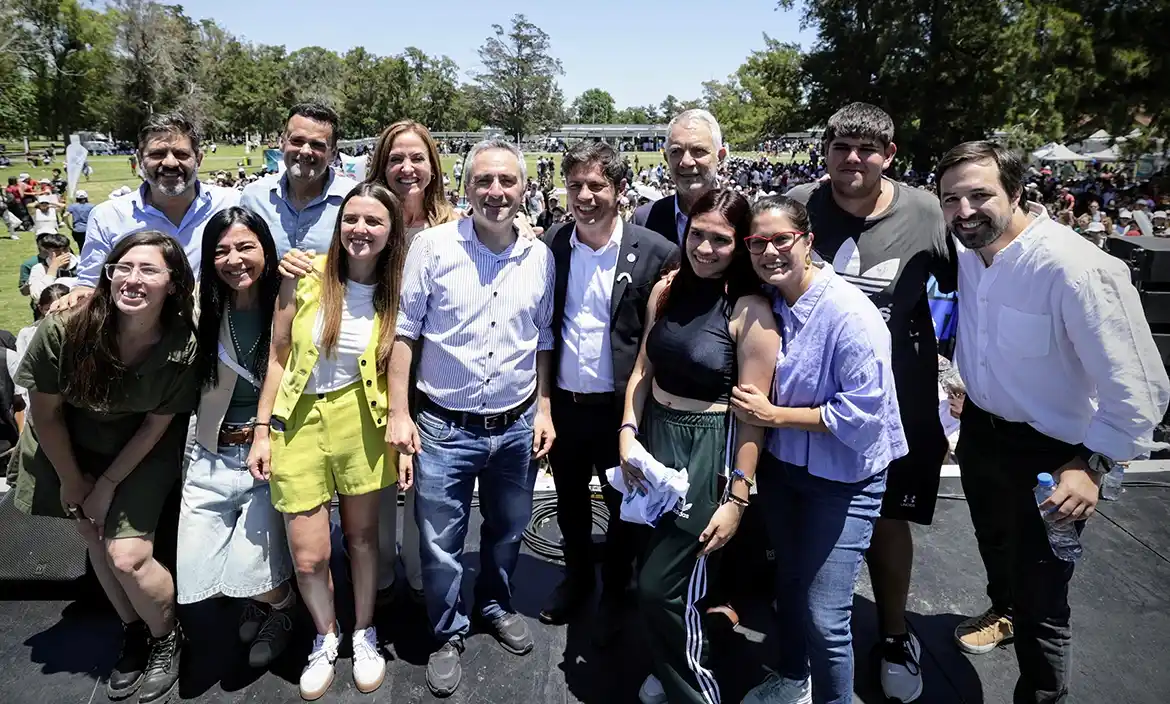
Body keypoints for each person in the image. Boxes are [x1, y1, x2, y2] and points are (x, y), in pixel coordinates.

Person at [937, 141, 1170, 704]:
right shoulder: (971, 250)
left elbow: (1142, 390)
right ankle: (1003, 611)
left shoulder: (1079, 268)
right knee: (993, 541)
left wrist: (1092, 465)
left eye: (980, 195)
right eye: (952, 199)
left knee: (1045, 592)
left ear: (1017, 192)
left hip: (1054, 455)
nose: (964, 211)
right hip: (984, 435)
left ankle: (1043, 694)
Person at [786, 102, 956, 702]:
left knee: (889, 517)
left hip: (897, 398)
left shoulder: (928, 213)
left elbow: (978, 276)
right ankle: (792, 639)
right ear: (826, 150)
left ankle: (892, 632)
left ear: (889, 155)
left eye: (867, 149)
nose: (852, 159)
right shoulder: (801, 202)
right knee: (799, 512)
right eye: (840, 146)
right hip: (810, 396)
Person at [387, 139, 556, 698]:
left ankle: (494, 603)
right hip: (443, 425)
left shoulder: (539, 256)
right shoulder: (433, 248)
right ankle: (445, 632)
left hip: (514, 424)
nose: (496, 192)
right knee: (440, 542)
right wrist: (399, 412)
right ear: (465, 186)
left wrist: (545, 408)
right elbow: (405, 333)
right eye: (484, 180)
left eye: (507, 181)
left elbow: (544, 340)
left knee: (508, 531)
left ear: (524, 187)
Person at [10, 231, 200, 704]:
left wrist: (108, 483)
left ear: (174, 283)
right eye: (122, 268)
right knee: (94, 536)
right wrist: (75, 480)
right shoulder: (64, 329)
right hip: (69, 445)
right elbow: (46, 413)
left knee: (127, 555)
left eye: (148, 270)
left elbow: (157, 425)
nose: (132, 279)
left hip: (141, 448)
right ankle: (133, 629)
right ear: (107, 275)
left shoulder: (182, 344)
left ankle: (166, 638)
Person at [736, 196, 905, 704]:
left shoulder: (851, 315)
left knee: (825, 615)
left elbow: (863, 414)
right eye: (757, 242)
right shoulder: (772, 301)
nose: (769, 251)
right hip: (788, 473)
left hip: (846, 481)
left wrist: (774, 416)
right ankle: (792, 678)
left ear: (807, 242)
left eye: (780, 239)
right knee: (790, 587)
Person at [619, 189, 779, 704]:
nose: (705, 248)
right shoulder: (665, 288)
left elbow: (754, 419)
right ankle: (675, 664)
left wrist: (737, 498)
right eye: (698, 234)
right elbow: (644, 369)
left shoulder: (751, 312)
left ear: (740, 245)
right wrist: (627, 430)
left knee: (661, 586)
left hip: (709, 446)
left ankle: (693, 688)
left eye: (721, 239)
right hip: (655, 440)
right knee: (663, 576)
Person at [248, 182, 405, 700]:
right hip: (299, 421)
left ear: (390, 231)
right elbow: (276, 355)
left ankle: (363, 633)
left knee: (362, 541)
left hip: (362, 418)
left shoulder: (397, 290)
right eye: (352, 219)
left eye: (374, 221)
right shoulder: (308, 275)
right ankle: (325, 634)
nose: (361, 229)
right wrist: (262, 430)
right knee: (310, 554)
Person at [538, 141, 678, 643]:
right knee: (571, 500)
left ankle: (617, 584)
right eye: (575, 185)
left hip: (623, 410)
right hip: (568, 407)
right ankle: (577, 579)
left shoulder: (657, 252)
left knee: (625, 504)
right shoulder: (551, 243)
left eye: (596, 185)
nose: (584, 195)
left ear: (620, 189)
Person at [176, 207, 296, 670]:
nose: (234, 259)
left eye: (246, 247)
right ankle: (262, 600)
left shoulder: (289, 302)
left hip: (269, 454)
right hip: (210, 453)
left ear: (267, 249)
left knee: (250, 575)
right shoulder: (200, 309)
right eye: (221, 250)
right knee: (195, 575)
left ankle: (281, 610)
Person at [56, 113, 240, 311]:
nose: (170, 163)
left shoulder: (232, 204)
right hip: (142, 336)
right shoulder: (108, 216)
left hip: (216, 332)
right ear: (139, 160)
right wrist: (78, 294)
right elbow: (90, 283)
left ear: (199, 159)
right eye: (157, 154)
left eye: (181, 154)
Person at [240, 103, 356, 257]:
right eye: (297, 141)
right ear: (282, 143)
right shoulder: (254, 198)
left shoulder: (354, 199)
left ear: (333, 153)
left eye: (317, 145)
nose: (305, 151)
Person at [634, 110, 726, 247]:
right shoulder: (644, 220)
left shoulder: (746, 217)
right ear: (666, 158)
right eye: (676, 152)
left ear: (720, 157)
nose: (686, 161)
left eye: (699, 150)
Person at [27, 233, 79, 300]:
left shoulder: (81, 263)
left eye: (65, 249)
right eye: (57, 251)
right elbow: (37, 295)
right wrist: (53, 269)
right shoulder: (39, 268)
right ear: (47, 251)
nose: (63, 254)